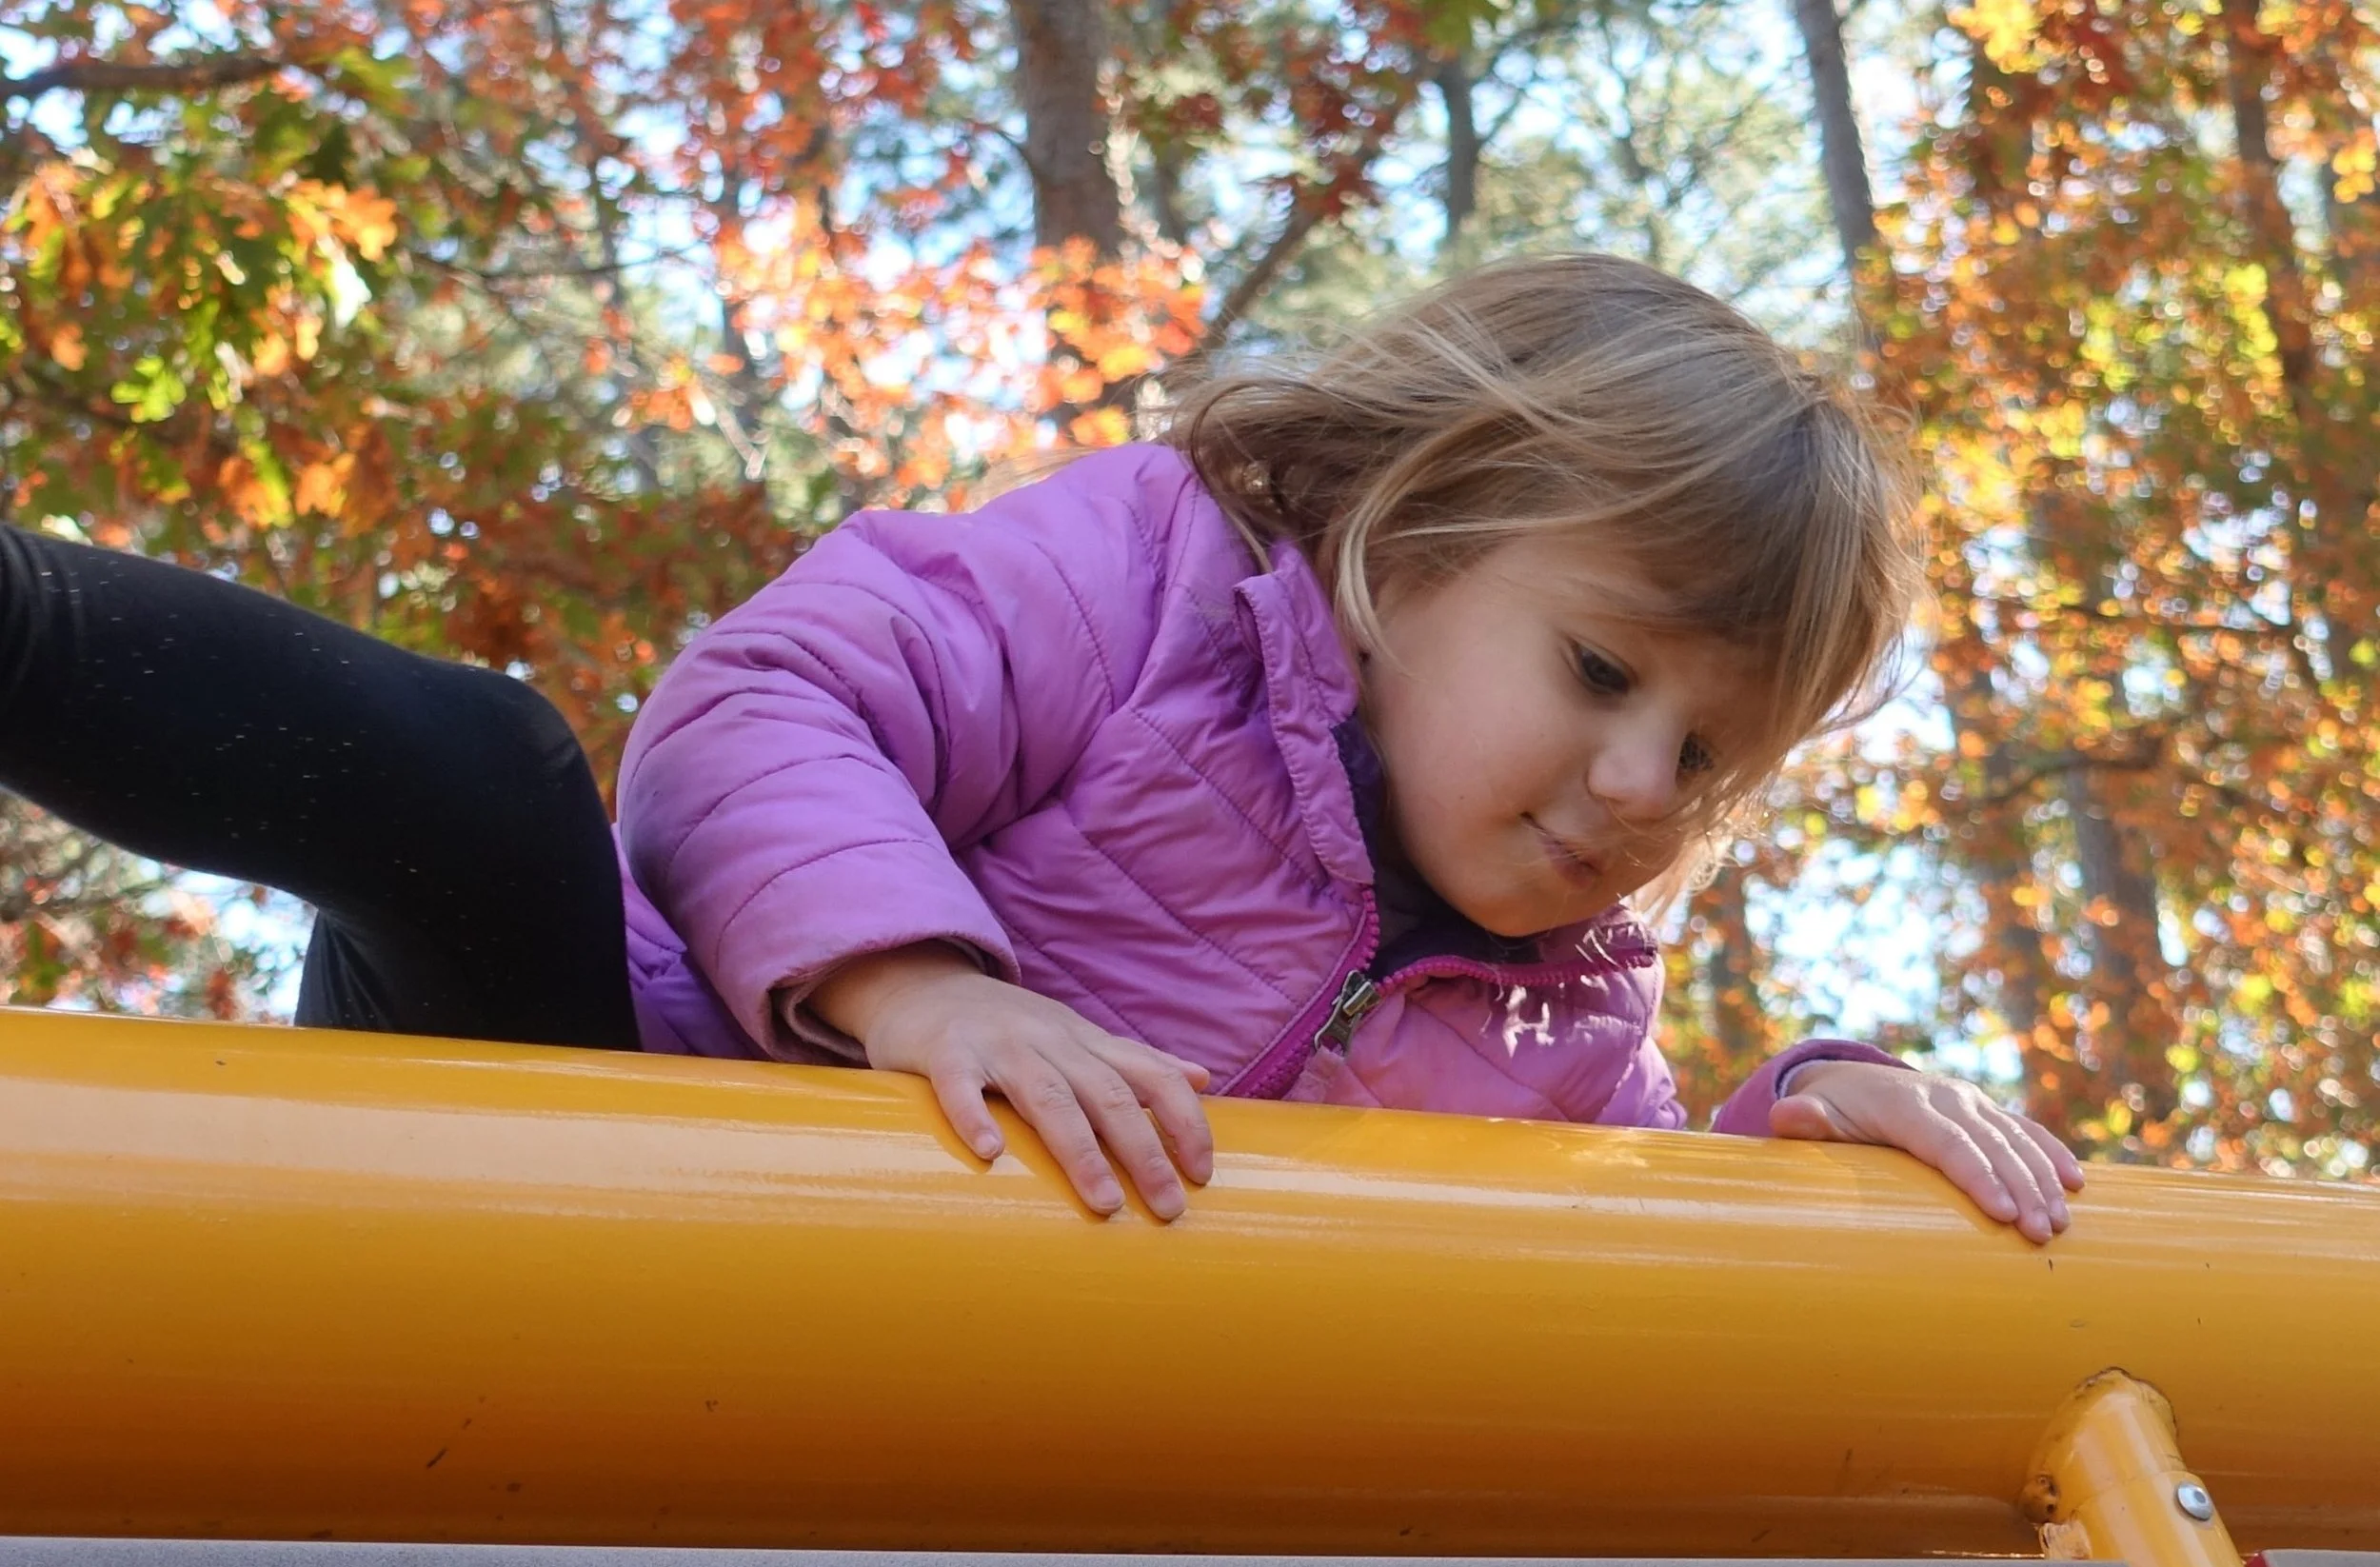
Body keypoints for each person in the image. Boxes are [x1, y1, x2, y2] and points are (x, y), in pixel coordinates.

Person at [0, 253, 2081, 1240]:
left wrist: (1806, 1125)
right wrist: (915, 987)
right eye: (1604, 672)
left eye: (1709, 759)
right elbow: (765, 704)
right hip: (605, 1118)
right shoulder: (1157, 591)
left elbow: (1626, 1252)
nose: (1640, 789)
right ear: (1412, 540)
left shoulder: (1556, 1031)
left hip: (854, 1415)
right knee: (482, 781)